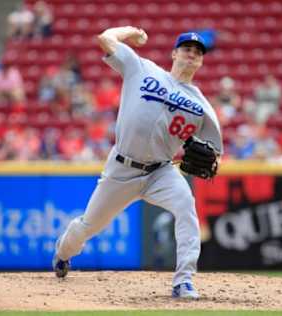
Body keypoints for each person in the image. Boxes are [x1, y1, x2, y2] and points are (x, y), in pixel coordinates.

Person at [52, 27, 223, 299]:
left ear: (201, 61)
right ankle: (63, 253)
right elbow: (105, 39)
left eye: (198, 52)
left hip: (161, 171)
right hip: (121, 169)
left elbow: (214, 151)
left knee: (186, 207)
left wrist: (204, 152)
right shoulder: (143, 69)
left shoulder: (200, 106)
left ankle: (184, 280)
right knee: (88, 226)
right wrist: (132, 31)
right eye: (187, 49)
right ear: (174, 53)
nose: (192, 54)